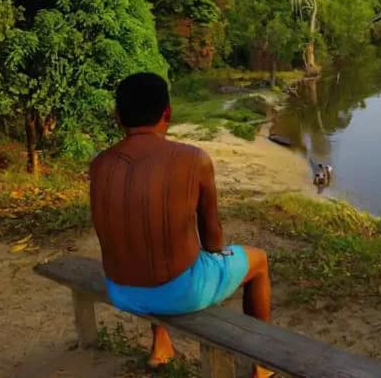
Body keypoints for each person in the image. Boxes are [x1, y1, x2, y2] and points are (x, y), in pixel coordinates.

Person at [89, 73, 273, 378]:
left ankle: (161, 344)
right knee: (259, 262)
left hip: (120, 290)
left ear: (118, 116)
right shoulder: (193, 159)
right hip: (181, 292)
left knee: (148, 244)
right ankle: (263, 366)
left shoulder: (99, 164)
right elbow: (213, 241)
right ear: (168, 113)